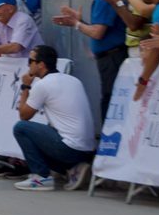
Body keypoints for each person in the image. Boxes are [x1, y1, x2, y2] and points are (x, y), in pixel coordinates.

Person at [13, 45, 97, 192]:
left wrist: (25, 86)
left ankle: (41, 177)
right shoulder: (73, 80)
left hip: (70, 148)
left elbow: (24, 115)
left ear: (41, 64)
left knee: (21, 128)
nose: (28, 65)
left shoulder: (43, 85)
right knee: (47, 128)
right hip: (87, 150)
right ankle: (73, 168)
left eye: (30, 60)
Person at [51, 0, 126, 119]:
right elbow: (98, 30)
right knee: (108, 99)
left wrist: (76, 23)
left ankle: (109, 143)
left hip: (113, 57)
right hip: (108, 57)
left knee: (110, 101)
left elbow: (98, 32)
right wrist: (78, 22)